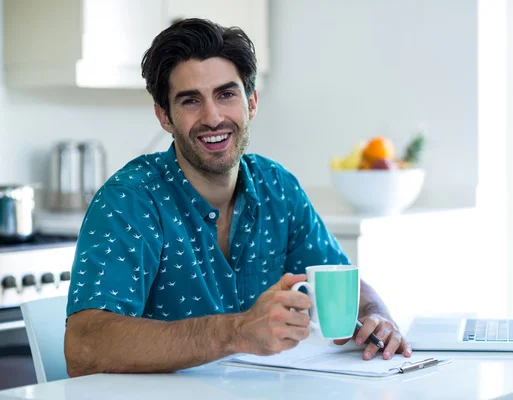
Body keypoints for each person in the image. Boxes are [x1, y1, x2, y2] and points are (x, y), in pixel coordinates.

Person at [64, 18, 411, 377]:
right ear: (164, 117)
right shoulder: (129, 201)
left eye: (226, 94)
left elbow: (339, 280)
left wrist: (376, 314)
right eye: (190, 101)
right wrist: (237, 331)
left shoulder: (278, 187)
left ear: (252, 103)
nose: (213, 117)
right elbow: (84, 347)